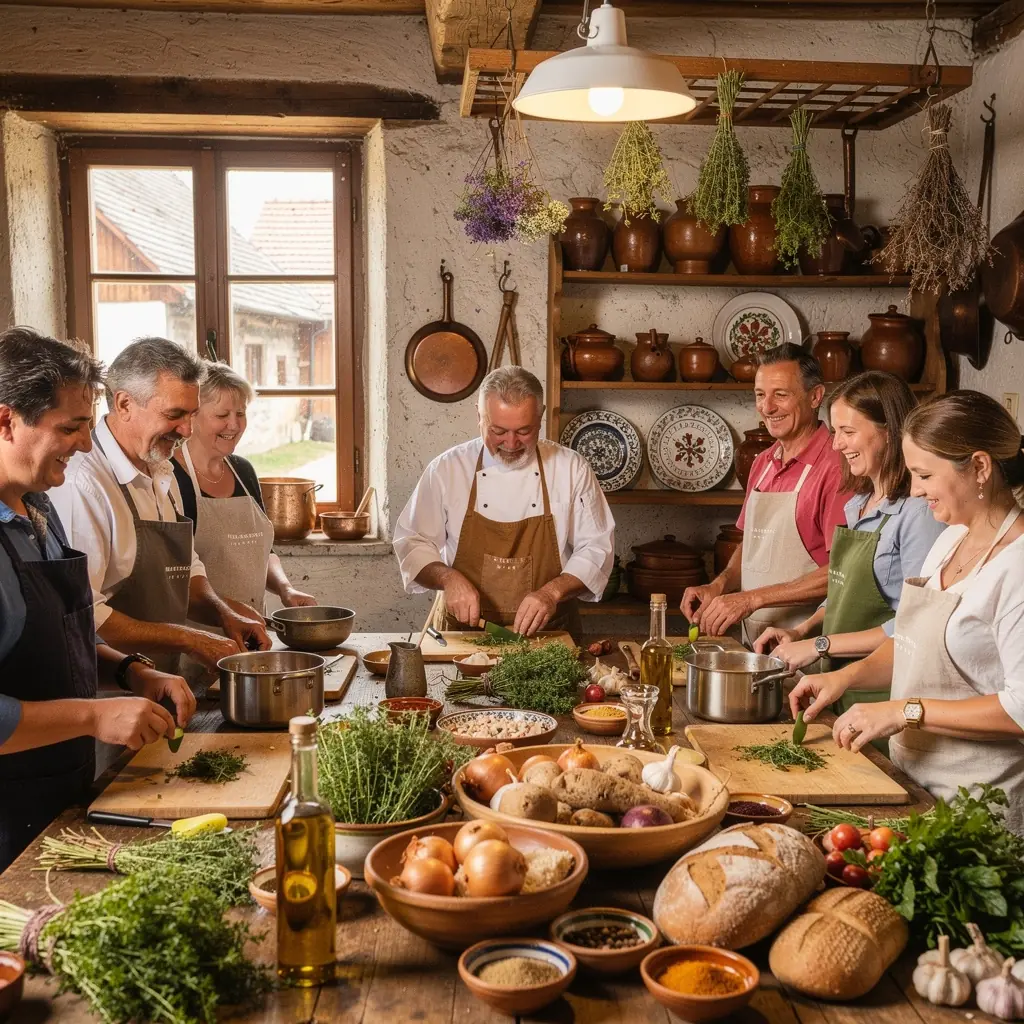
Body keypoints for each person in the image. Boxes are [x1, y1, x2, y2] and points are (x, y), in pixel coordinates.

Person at [0, 327, 196, 869]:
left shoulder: (38, 508)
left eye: (88, 426)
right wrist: (92, 716)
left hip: (57, 797)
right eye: (70, 428)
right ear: (5, 420)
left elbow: (61, 637)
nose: (86, 445)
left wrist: (131, 671)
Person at [790, 391, 1024, 833]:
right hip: (915, 787)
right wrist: (845, 677)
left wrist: (904, 711)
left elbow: (1020, 709)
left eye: (924, 475)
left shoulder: (1017, 566)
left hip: (979, 812)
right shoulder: (950, 540)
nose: (915, 490)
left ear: (979, 467)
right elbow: (913, 643)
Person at [50, 337, 270, 675]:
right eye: (174, 414)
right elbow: (84, 613)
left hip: (163, 678)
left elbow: (185, 568)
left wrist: (224, 613)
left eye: (192, 414)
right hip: (110, 688)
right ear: (124, 404)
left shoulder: (160, 466)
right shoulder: (83, 484)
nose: (187, 430)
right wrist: (189, 639)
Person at [754, 371, 945, 702]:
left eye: (848, 432)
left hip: (884, 691)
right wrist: (801, 630)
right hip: (839, 684)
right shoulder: (859, 504)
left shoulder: (918, 514)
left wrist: (820, 645)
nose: (837, 444)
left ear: (890, 432)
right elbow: (843, 594)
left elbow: (915, 625)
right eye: (835, 432)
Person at [393, 366, 615, 636]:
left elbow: (596, 548)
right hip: (462, 633)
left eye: (524, 431)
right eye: (498, 431)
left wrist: (552, 593)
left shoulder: (571, 468)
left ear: (541, 416)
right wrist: (448, 578)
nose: (511, 443)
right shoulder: (447, 469)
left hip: (547, 633)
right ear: (479, 416)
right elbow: (413, 542)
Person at [681, 343, 850, 644]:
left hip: (808, 644)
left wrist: (751, 599)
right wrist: (719, 586)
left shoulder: (837, 466)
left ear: (815, 396)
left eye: (780, 395)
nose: (767, 408)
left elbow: (843, 570)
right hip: (757, 644)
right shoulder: (762, 462)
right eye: (760, 395)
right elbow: (753, 544)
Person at [172, 361, 315, 616]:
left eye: (240, 413)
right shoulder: (170, 476)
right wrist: (230, 614)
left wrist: (285, 589)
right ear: (192, 415)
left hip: (252, 629)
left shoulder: (243, 471)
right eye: (222, 415)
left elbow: (261, 552)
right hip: (196, 633)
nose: (234, 425)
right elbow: (174, 575)